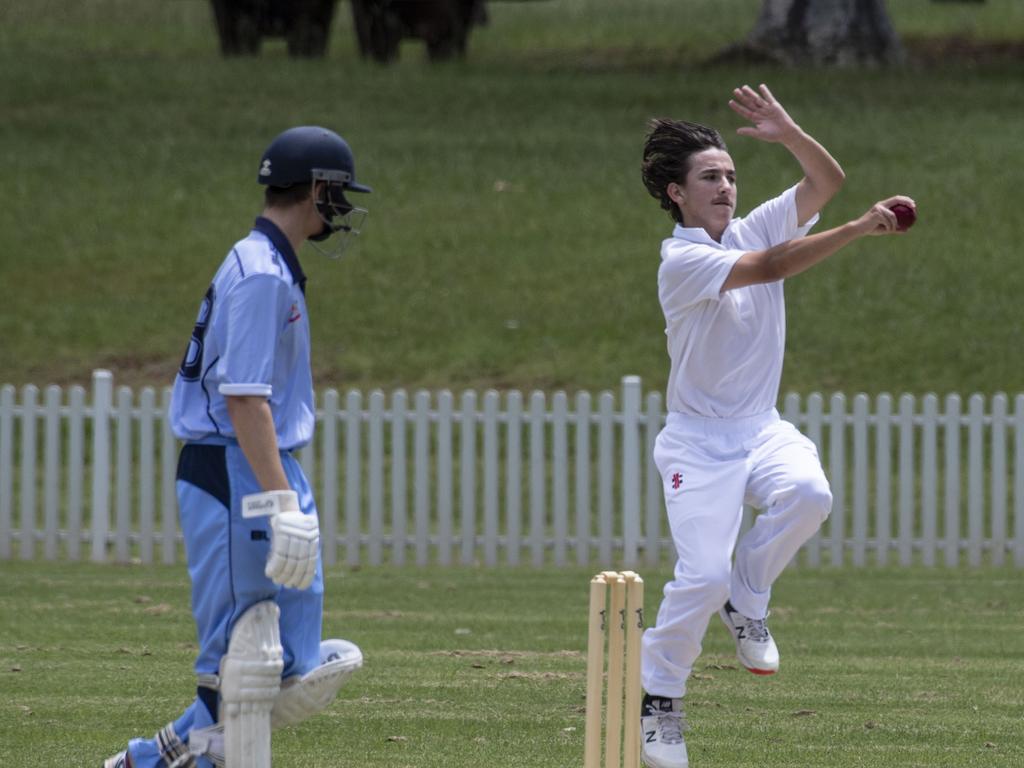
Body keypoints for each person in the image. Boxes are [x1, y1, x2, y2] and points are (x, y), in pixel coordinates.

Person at [637, 85, 915, 768]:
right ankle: (660, 696)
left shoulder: (755, 223)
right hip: (698, 443)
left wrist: (790, 130)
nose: (726, 185)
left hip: (760, 428)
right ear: (676, 193)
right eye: (710, 177)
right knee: (699, 578)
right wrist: (855, 229)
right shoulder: (682, 262)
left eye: (731, 174)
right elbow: (775, 266)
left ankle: (750, 595)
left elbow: (827, 181)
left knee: (809, 495)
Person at [105, 126, 372, 768]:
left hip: (262, 463)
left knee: (291, 664)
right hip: (234, 466)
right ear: (316, 189)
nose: (341, 207)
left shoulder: (268, 263)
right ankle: (160, 758)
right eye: (337, 193)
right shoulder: (260, 274)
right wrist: (279, 501)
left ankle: (169, 754)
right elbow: (243, 398)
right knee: (242, 668)